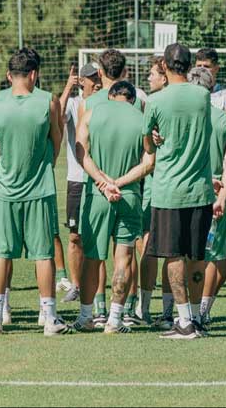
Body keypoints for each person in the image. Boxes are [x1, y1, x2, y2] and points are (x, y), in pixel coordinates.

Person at [0, 48, 71, 336]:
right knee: (43, 255)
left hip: (6, 190)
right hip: (40, 189)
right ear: (34, 74)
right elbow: (56, 141)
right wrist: (43, 164)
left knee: (0, 254)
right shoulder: (49, 101)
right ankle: (50, 319)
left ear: (9, 75)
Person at [143, 43, 215, 340]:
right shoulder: (203, 96)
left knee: (173, 256)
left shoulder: (156, 100)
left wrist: (157, 138)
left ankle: (184, 321)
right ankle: (197, 318)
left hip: (170, 190)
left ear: (165, 65)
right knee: (196, 256)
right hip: (201, 189)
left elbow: (147, 145)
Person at [73, 81, 150, 333]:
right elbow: (149, 163)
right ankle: (115, 319)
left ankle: (86, 316)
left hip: (98, 195)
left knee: (93, 258)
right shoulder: (142, 118)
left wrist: (104, 182)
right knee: (124, 258)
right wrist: (120, 182)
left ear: (109, 96)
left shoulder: (93, 114)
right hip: (129, 195)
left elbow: (81, 152)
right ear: (132, 99)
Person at [189, 66, 226, 327]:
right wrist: (224, 194)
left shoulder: (184, 117)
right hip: (216, 193)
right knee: (215, 254)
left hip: (186, 191)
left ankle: (186, 310)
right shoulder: (225, 119)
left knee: (189, 254)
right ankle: (203, 308)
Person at [59, 62, 101, 303]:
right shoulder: (74, 103)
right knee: (75, 236)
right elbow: (58, 114)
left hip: (100, 178)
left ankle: (99, 290)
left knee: (100, 236)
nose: (95, 81)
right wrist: (67, 87)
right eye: (90, 78)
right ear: (81, 81)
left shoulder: (106, 102)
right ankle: (75, 285)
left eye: (97, 76)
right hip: (77, 179)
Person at [134, 56, 170, 326]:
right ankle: (148, 308)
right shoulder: (152, 102)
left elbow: (147, 144)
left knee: (156, 247)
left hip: (162, 183)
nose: (149, 78)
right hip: (158, 183)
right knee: (157, 246)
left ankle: (153, 309)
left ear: (165, 75)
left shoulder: (159, 103)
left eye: (153, 74)